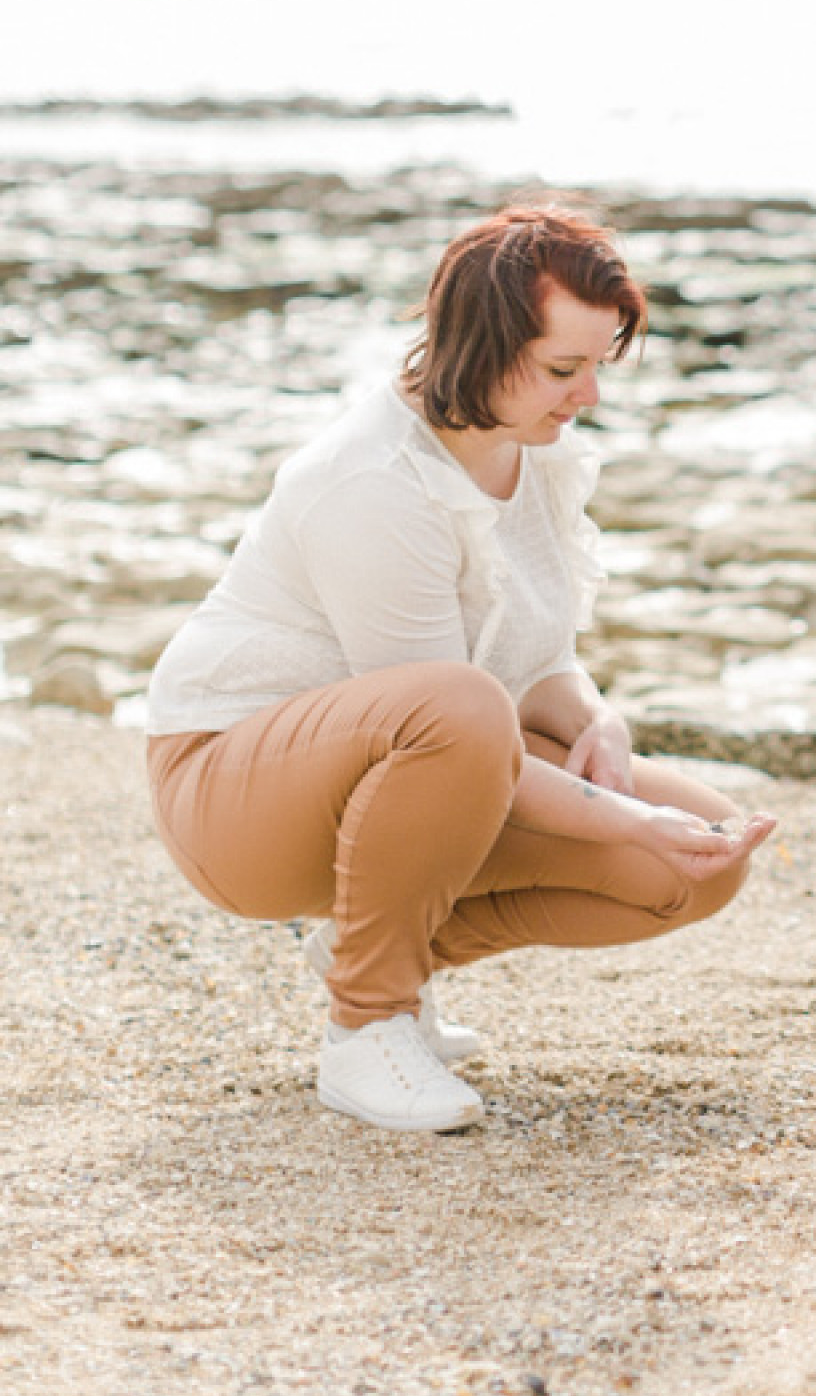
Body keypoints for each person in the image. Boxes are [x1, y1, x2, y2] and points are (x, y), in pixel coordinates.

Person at [146, 200, 775, 1134]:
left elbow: (537, 659)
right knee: (490, 727)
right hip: (231, 790)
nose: (588, 397)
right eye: (564, 370)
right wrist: (629, 816)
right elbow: (456, 722)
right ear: (481, 349)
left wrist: (598, 723)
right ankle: (367, 1025)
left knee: (704, 857)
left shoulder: (538, 453)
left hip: (418, 763)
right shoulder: (373, 482)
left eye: (597, 368)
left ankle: (378, 951)